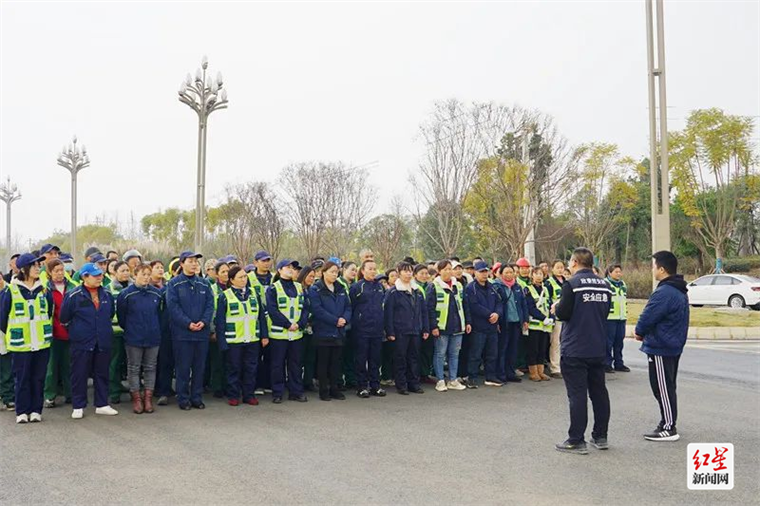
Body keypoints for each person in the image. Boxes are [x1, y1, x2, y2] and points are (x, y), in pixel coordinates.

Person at [553, 247, 612, 454]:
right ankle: (600, 435)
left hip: (575, 348)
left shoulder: (572, 284)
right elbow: (605, 312)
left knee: (577, 395)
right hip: (597, 346)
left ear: (575, 262)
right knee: (599, 393)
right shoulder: (605, 285)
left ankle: (576, 439)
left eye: (569, 262)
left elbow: (563, 313)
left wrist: (556, 307)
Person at [634, 251, 689, 442]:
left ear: (662, 269)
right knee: (667, 386)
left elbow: (648, 316)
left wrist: (639, 331)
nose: (652, 270)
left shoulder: (665, 292)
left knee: (662, 388)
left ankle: (668, 427)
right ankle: (667, 421)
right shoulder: (678, 289)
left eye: (654, 266)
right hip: (672, 344)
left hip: (661, 346)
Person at [61, 262, 120, 419]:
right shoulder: (73, 295)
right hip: (81, 341)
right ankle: (78, 405)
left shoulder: (106, 294)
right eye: (95, 275)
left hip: (103, 339)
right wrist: (78, 332)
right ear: (84, 277)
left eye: (100, 274)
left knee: (102, 372)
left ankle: (102, 404)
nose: (99, 277)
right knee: (79, 373)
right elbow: (64, 317)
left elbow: (109, 314)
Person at [0, 253, 53, 423]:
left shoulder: (45, 290)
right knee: (22, 378)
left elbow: (49, 313)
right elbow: (2, 318)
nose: (39, 269)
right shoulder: (11, 290)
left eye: (39, 265)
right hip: (20, 345)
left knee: (38, 378)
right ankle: (22, 411)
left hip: (41, 344)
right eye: (35, 266)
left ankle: (36, 410)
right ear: (24, 269)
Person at [166, 251, 214, 410]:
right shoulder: (174, 284)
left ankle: (196, 397)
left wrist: (204, 321)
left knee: (199, 368)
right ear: (182, 264)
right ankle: (183, 398)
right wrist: (188, 323)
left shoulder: (204, 283)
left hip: (201, 333)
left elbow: (209, 305)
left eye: (196, 262)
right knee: (183, 368)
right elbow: (173, 308)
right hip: (182, 334)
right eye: (190, 261)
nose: (194, 264)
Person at [216, 265, 269, 406]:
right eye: (240, 277)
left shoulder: (253, 294)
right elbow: (220, 321)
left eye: (245, 276)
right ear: (232, 280)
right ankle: (233, 395)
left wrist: (264, 335)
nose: (244, 279)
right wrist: (222, 342)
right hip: (234, 340)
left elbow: (261, 317)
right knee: (234, 369)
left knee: (251, 368)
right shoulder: (225, 296)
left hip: (252, 339)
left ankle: (249, 395)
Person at [116, 263, 162, 414]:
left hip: (153, 336)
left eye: (148, 275)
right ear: (134, 275)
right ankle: (136, 398)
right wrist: (130, 329)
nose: (146, 278)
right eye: (143, 274)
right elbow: (122, 317)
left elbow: (160, 315)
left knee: (150, 367)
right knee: (134, 368)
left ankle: (148, 398)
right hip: (133, 337)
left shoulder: (156, 293)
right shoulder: (126, 294)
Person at [266, 259, 308, 403]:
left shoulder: (299, 287)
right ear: (279, 270)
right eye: (287, 267)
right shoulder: (273, 288)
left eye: (293, 267)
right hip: (279, 334)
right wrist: (287, 324)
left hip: (296, 334)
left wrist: (300, 324)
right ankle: (278, 392)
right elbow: (272, 310)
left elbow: (305, 308)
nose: (291, 269)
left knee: (295, 364)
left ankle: (296, 391)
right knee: (277, 364)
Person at [383, 261, 429, 395]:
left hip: (415, 330)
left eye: (410, 271)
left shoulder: (417, 291)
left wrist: (425, 328)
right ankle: (401, 385)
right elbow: (388, 313)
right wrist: (390, 331)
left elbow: (423, 311)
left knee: (414, 358)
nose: (408, 274)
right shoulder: (393, 292)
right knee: (400, 358)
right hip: (400, 331)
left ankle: (414, 384)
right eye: (405, 271)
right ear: (398, 272)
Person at [309, 261, 352, 401]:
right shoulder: (316, 289)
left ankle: (335, 389)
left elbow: (348, 306)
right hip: (323, 331)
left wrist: (344, 319)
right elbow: (317, 310)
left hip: (339, 332)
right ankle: (324, 390)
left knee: (336, 362)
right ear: (323, 272)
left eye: (336, 272)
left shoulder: (340, 288)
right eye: (331, 272)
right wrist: (335, 320)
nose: (334, 275)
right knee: (323, 363)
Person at [426, 260, 466, 392]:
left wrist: (467, 322)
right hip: (442, 326)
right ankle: (440, 380)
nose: (448, 272)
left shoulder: (458, 286)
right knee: (440, 354)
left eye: (450, 269)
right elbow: (430, 308)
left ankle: (453, 379)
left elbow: (464, 305)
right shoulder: (434, 286)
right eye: (445, 269)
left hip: (457, 326)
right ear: (439, 271)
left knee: (454, 354)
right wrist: (433, 326)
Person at [463, 260, 503, 388]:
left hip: (492, 326)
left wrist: (497, 314)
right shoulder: (470, 288)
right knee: (475, 353)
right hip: (478, 326)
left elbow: (499, 302)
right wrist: (489, 314)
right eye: (481, 272)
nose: (484, 274)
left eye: (486, 271)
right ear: (475, 272)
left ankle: (490, 376)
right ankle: (472, 377)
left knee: (492, 353)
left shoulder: (492, 286)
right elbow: (473, 306)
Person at [350, 260, 387, 398]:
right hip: (361, 330)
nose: (373, 271)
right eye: (370, 269)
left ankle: (375, 386)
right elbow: (352, 307)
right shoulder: (357, 287)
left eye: (374, 269)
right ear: (363, 270)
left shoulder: (380, 287)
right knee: (361, 359)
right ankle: (361, 386)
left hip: (377, 329)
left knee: (375, 359)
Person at [43, 259, 77, 408]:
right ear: (50, 273)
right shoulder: (45, 289)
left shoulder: (73, 287)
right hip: (53, 333)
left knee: (69, 366)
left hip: (70, 332)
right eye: (56, 270)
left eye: (62, 270)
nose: (60, 273)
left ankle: (70, 394)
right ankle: (49, 395)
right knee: (51, 367)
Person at [492, 264, 529, 384]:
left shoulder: (517, 286)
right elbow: (495, 305)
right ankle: (501, 373)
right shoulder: (496, 286)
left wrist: (525, 319)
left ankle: (510, 372)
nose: (509, 275)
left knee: (513, 349)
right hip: (504, 322)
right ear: (501, 274)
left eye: (511, 272)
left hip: (516, 321)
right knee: (503, 349)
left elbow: (523, 304)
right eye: (506, 272)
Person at [248, 250, 273, 395]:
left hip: (273, 323)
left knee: (271, 356)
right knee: (255, 357)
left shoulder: (274, 277)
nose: (266, 263)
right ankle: (256, 384)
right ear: (256, 262)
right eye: (263, 260)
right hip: (255, 322)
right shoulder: (249, 278)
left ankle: (267, 382)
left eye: (268, 260)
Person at [107, 260, 131, 404]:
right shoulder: (108, 289)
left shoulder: (134, 287)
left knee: (131, 363)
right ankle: (114, 391)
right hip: (115, 332)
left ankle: (133, 389)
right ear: (115, 273)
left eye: (127, 270)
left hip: (132, 331)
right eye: (122, 270)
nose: (125, 273)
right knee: (114, 363)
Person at [524, 267, 553, 382]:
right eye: (536, 274)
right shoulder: (528, 289)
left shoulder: (545, 289)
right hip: (534, 324)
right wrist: (543, 318)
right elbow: (530, 307)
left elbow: (549, 304)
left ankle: (541, 371)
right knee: (533, 349)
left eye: (541, 274)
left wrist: (551, 318)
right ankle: (533, 372)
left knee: (542, 349)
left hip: (545, 326)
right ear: (532, 276)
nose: (539, 276)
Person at [207, 260, 229, 398]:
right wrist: (212, 331)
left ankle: (229, 385)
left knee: (230, 361)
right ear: (216, 274)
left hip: (234, 331)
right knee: (217, 360)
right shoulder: (212, 289)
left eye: (228, 271)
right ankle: (217, 387)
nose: (226, 274)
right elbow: (210, 311)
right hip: (217, 330)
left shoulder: (234, 289)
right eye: (223, 272)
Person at [413, 264, 436, 385]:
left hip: (429, 322)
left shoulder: (432, 286)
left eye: (426, 273)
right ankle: (415, 375)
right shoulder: (413, 287)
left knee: (428, 350)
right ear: (415, 274)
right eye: (421, 273)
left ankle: (425, 374)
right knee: (415, 351)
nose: (424, 276)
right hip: (416, 324)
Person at [296, 266, 318, 391]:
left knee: (310, 357)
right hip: (300, 327)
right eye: (310, 276)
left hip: (312, 328)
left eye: (313, 277)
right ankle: (297, 382)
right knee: (299, 358)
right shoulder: (297, 289)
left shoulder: (313, 290)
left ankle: (308, 381)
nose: (312, 279)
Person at [605, 264, 630, 373]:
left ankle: (619, 363)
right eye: (616, 272)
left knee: (619, 342)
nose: (618, 274)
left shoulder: (622, 284)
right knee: (608, 342)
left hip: (621, 317)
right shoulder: (605, 283)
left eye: (620, 271)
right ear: (610, 273)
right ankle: (606, 364)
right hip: (610, 318)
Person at [337, 261, 357, 391]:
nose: (354, 272)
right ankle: (338, 380)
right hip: (341, 323)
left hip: (354, 325)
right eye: (352, 269)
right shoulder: (339, 284)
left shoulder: (356, 285)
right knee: (339, 355)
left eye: (356, 270)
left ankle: (350, 379)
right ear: (344, 269)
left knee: (351, 354)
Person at [546, 260, 566, 379]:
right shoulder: (549, 283)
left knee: (565, 343)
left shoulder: (567, 282)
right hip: (555, 317)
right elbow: (548, 300)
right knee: (555, 343)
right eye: (557, 267)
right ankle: (555, 368)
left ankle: (564, 365)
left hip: (565, 318)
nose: (560, 269)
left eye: (562, 267)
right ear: (552, 269)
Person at [380, 267, 399, 386]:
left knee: (394, 353)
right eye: (392, 276)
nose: (395, 278)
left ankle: (392, 375)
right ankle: (385, 376)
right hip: (384, 328)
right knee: (386, 354)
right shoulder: (388, 293)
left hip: (396, 327)